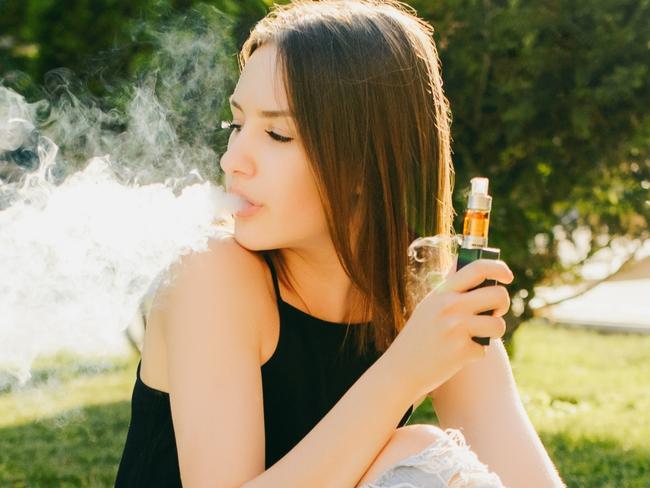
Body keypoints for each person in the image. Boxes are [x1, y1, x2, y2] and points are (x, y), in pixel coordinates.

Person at [115, 1, 565, 486]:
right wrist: (403, 372)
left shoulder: (428, 286)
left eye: (277, 133)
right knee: (420, 455)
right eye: (236, 124)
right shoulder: (210, 274)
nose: (234, 160)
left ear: (365, 161)